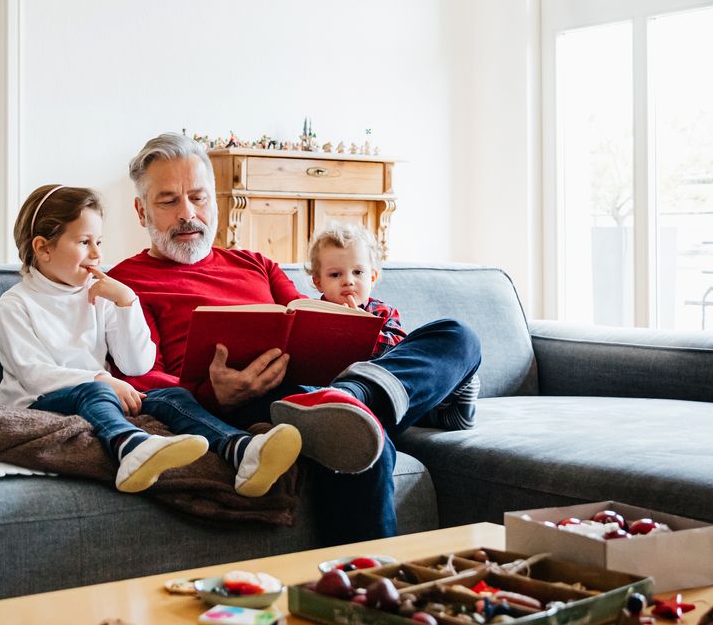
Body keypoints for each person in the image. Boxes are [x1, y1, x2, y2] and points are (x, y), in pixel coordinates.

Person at [108, 133, 482, 538]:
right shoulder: (124, 285)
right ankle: (369, 410)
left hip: (319, 387)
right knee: (359, 443)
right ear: (141, 210)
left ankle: (357, 397)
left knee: (458, 336)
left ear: (214, 201)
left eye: (199, 197)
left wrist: (344, 326)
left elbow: (306, 319)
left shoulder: (256, 264)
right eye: (168, 201)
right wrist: (215, 395)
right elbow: (144, 380)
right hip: (250, 405)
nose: (188, 213)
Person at [0, 183, 301, 497]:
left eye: (98, 241)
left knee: (172, 397)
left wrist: (127, 303)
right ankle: (130, 448)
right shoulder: (15, 305)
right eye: (84, 242)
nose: (98, 254)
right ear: (43, 248)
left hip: (100, 394)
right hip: (38, 403)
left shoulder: (100, 295)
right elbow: (33, 375)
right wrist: (101, 379)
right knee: (96, 391)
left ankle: (241, 449)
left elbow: (137, 363)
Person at [304, 222, 480, 432]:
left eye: (358, 272)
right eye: (335, 275)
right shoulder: (311, 313)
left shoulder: (382, 312)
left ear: (372, 277)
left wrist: (365, 330)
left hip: (383, 384)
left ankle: (447, 409)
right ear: (318, 282)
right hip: (328, 385)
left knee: (456, 335)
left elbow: (399, 350)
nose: (348, 281)